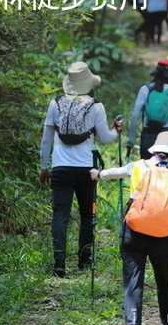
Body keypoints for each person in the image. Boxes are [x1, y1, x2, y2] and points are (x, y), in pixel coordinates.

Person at [91, 131, 168, 325]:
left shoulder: (138, 166)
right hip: (164, 235)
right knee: (165, 281)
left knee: (133, 279)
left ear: (155, 149)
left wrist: (98, 174)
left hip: (134, 232)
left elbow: (114, 173)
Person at [39, 61, 123, 277]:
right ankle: (85, 260)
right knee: (87, 214)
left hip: (59, 167)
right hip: (86, 169)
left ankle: (59, 263)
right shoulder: (96, 107)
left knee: (60, 215)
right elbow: (104, 138)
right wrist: (116, 130)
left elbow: (46, 139)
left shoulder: (55, 104)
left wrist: (43, 166)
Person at [127, 59, 168, 159]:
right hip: (167, 139)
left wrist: (131, 141)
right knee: (164, 172)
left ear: (156, 73)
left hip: (148, 137)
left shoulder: (145, 90)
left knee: (146, 171)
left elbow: (135, 116)